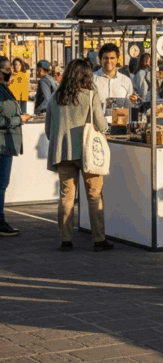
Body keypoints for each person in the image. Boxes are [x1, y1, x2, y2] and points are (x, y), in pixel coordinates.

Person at [45, 59, 112, 251]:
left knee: (66, 196)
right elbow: (101, 124)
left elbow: (49, 129)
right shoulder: (90, 95)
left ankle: (66, 240)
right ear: (86, 75)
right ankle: (99, 240)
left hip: (63, 152)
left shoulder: (57, 95)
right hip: (87, 153)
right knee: (94, 196)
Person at [0, 57, 31, 236]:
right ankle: (0, 221)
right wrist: (19, 119)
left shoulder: (5, 88)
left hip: (6, 143)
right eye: (7, 69)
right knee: (2, 183)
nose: (10, 71)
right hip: (2, 144)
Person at [93, 43, 140, 113]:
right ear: (100, 60)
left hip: (121, 122)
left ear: (117, 59)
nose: (109, 61)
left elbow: (129, 105)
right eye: (105, 58)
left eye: (112, 58)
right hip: (97, 123)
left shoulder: (126, 81)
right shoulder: (92, 79)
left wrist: (133, 101)